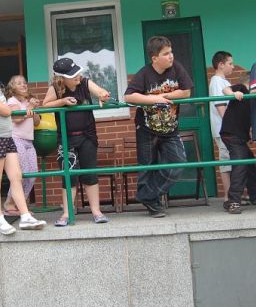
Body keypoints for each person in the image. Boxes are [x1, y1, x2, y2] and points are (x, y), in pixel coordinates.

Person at [0, 56, 46, 235]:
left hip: (7, 137)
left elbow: (8, 111)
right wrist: (20, 108)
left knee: (16, 176)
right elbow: (6, 111)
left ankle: (25, 216)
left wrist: (17, 109)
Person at [124, 36, 193, 218]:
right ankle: (153, 205)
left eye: (171, 52)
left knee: (178, 163)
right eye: (166, 53)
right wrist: (154, 98)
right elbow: (129, 96)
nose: (171, 56)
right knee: (147, 166)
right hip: (146, 129)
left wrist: (166, 97)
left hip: (171, 129)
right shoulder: (144, 73)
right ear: (155, 58)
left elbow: (186, 92)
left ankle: (147, 195)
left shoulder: (176, 68)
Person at [42, 57, 111, 226]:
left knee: (90, 174)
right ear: (61, 78)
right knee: (69, 176)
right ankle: (67, 214)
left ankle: (96, 212)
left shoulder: (85, 83)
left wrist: (103, 96)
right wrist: (62, 102)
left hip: (88, 136)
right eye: (73, 75)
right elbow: (45, 105)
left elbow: (101, 92)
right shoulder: (55, 88)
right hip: (66, 139)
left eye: (77, 72)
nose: (78, 76)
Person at [2, 75, 41, 215]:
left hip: (29, 141)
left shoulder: (28, 101)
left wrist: (34, 109)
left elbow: (37, 122)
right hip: (16, 139)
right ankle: (9, 204)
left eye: (24, 82)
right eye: (19, 83)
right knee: (21, 173)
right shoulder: (11, 101)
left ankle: (20, 204)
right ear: (12, 87)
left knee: (33, 173)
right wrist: (30, 107)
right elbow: (17, 118)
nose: (23, 85)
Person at [220, 73, 256, 214]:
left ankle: (254, 195)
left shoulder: (252, 99)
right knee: (240, 164)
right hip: (231, 134)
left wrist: (251, 132)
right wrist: (234, 94)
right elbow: (225, 89)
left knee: (250, 164)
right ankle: (233, 201)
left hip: (240, 137)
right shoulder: (242, 89)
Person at [209, 51, 234, 202]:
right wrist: (231, 126)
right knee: (226, 161)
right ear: (221, 64)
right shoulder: (217, 81)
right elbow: (221, 106)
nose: (232, 67)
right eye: (230, 63)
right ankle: (228, 196)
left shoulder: (223, 81)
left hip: (227, 128)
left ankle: (234, 194)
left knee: (231, 160)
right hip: (223, 129)